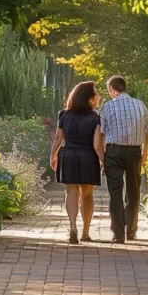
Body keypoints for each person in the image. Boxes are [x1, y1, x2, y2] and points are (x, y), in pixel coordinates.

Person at [49, 81, 104, 245]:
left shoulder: (64, 115)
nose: (98, 96)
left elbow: (59, 138)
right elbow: (97, 145)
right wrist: (104, 161)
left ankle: (72, 227)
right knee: (87, 195)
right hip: (88, 157)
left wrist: (53, 155)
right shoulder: (95, 117)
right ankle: (85, 231)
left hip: (69, 155)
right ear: (90, 98)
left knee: (71, 192)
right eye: (96, 94)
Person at [100, 75, 148, 244]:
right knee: (133, 191)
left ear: (112, 90)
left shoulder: (107, 107)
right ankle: (131, 229)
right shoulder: (140, 105)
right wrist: (145, 153)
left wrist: (102, 158)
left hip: (113, 152)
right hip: (134, 152)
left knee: (115, 192)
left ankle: (118, 234)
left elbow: (100, 133)